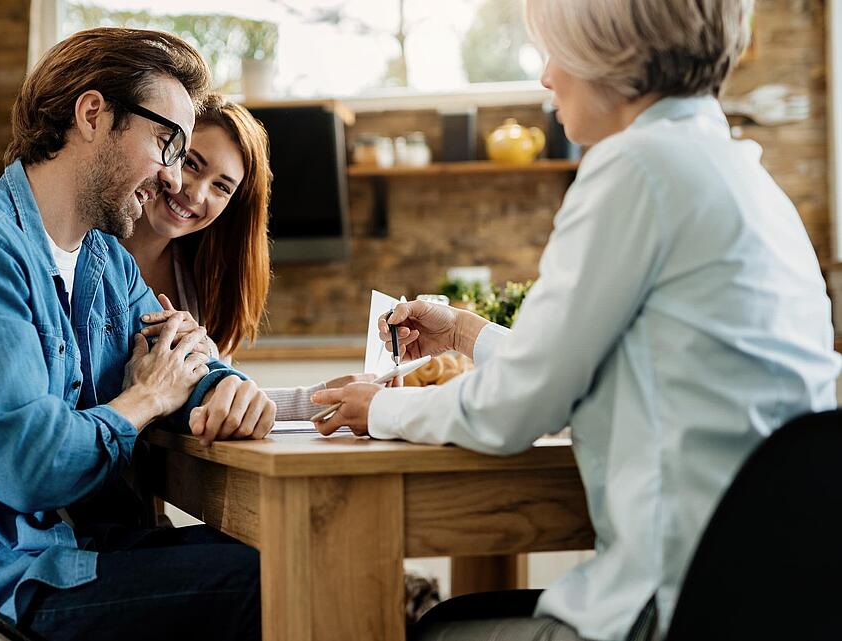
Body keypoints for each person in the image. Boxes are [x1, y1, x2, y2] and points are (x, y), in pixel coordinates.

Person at [311, 1, 840, 640]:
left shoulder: (636, 169)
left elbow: (512, 411)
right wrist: (467, 335)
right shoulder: (744, 178)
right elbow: (574, 379)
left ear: (609, 55)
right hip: (769, 600)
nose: (545, 79)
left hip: (670, 609)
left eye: (553, 53)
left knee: (424, 629)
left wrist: (380, 408)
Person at [0, 28, 270, 641]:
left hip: (63, 556)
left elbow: (182, 358)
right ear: (93, 114)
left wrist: (228, 390)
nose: (174, 180)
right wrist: (145, 398)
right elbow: (30, 467)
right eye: (167, 144)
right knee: (268, 579)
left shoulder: (105, 262)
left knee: (290, 549)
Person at [121, 94, 371, 421]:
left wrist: (322, 398)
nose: (196, 193)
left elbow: (217, 401)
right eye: (191, 163)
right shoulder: (84, 251)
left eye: (222, 187)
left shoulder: (199, 280)